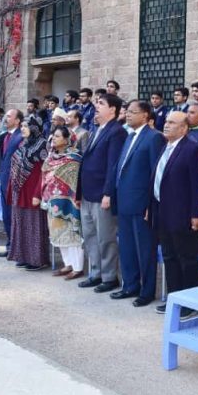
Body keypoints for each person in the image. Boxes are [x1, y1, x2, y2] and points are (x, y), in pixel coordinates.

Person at [109, 100, 164, 307]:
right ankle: (130, 285)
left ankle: (147, 291)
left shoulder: (154, 137)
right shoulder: (130, 136)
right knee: (127, 247)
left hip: (142, 204)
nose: (128, 115)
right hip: (124, 201)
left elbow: (154, 173)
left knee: (145, 250)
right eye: (127, 111)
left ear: (145, 115)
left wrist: (151, 204)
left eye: (133, 112)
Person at [150, 111, 198, 315]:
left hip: (183, 215)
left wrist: (196, 214)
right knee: (169, 257)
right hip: (163, 212)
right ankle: (174, 299)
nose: (166, 125)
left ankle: (189, 304)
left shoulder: (191, 149)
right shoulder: (166, 146)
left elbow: (196, 184)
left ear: (184, 128)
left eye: (172, 122)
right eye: (166, 121)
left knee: (186, 259)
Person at [77, 93, 127, 292]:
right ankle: (95, 273)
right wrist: (78, 193)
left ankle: (109, 277)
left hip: (102, 195)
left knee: (105, 238)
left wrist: (108, 193)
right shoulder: (97, 129)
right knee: (90, 236)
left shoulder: (117, 132)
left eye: (101, 103)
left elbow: (113, 166)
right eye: (96, 103)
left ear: (112, 110)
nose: (96, 106)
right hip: (87, 193)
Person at [7, 117, 50, 271]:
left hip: (33, 190)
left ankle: (37, 260)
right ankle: (23, 256)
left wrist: (38, 193)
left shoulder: (43, 144)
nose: (22, 128)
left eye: (26, 126)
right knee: (20, 223)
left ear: (35, 128)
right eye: (22, 126)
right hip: (20, 189)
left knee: (34, 224)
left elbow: (45, 172)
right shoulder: (23, 144)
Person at [42, 125, 85, 280]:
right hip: (53, 200)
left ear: (67, 139)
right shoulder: (51, 156)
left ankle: (78, 268)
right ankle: (68, 264)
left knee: (72, 234)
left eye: (58, 136)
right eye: (53, 136)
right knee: (58, 232)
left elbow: (75, 180)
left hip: (70, 201)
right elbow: (45, 175)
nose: (54, 139)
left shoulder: (74, 157)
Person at [0, 108, 24, 257]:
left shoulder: (21, 136)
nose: (5, 119)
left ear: (17, 120)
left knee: (15, 216)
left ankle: (18, 248)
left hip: (15, 182)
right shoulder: (4, 136)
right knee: (7, 215)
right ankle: (10, 246)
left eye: (9, 116)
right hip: (4, 180)